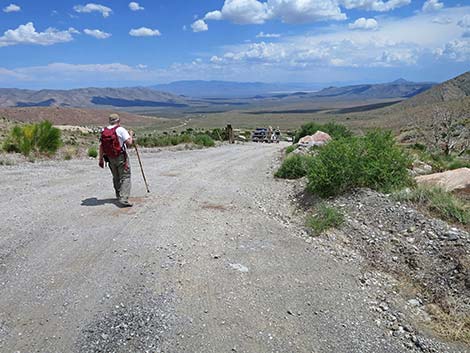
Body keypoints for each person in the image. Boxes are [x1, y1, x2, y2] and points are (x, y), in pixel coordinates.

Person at [99, 113, 134, 207]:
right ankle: (124, 198)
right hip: (121, 157)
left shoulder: (104, 130)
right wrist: (131, 135)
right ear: (118, 121)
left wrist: (100, 159)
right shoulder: (121, 130)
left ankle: (119, 195)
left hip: (109, 158)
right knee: (125, 176)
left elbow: (101, 146)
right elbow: (129, 143)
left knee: (116, 176)